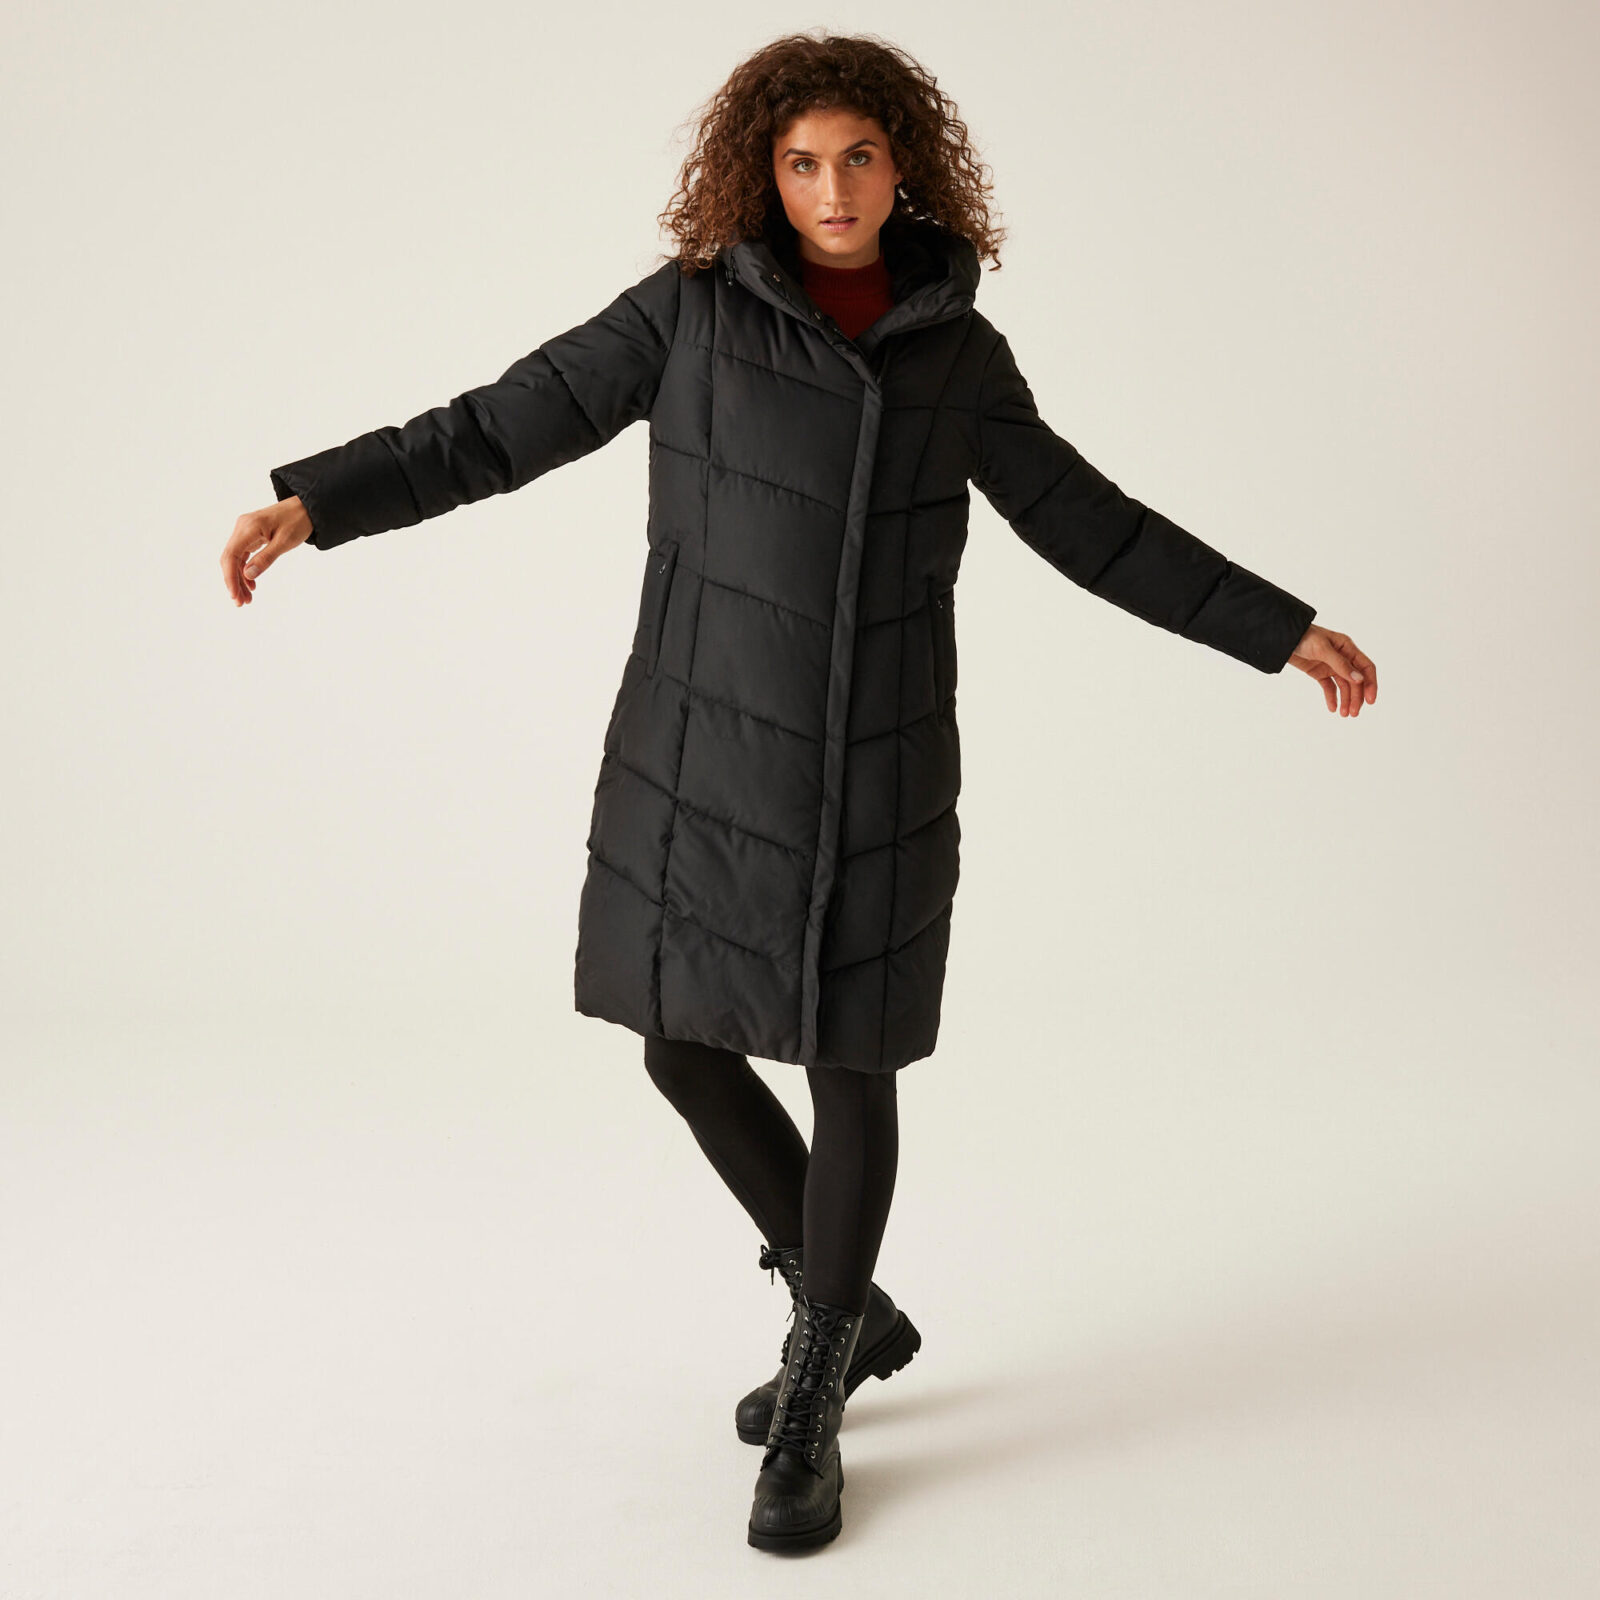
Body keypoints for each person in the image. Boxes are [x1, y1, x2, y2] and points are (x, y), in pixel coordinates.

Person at [221, 30, 1376, 1555]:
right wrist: (325, 499)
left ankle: (817, 1383)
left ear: (907, 170)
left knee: (850, 1061)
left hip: (875, 757)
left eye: (860, 159)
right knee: (679, 1041)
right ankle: (850, 1301)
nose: (834, 189)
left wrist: (1274, 628)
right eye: (803, 162)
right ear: (763, 175)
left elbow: (1090, 522)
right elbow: (502, 424)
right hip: (699, 749)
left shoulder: (956, 355)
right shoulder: (686, 313)